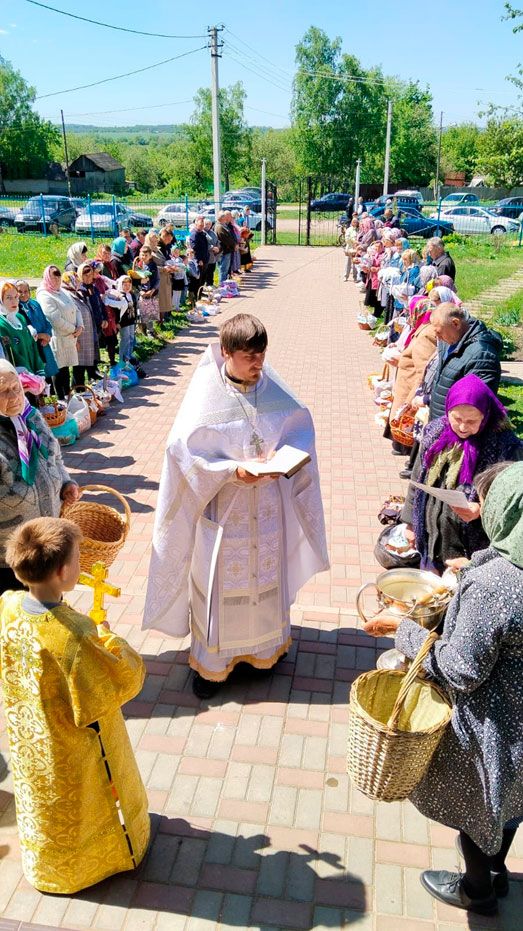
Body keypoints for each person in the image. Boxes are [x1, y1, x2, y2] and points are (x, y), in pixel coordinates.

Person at [364, 460, 523, 917]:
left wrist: (407, 628)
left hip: (494, 723)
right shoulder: (499, 572)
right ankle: (496, 868)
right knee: (511, 799)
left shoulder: (497, 586)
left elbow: (459, 669)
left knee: (479, 802)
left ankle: (478, 890)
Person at [143, 313, 329, 699]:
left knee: (265, 580)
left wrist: (288, 456)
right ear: (226, 352)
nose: (258, 364)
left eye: (261, 354)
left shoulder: (272, 388)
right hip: (224, 514)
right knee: (220, 586)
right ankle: (212, 667)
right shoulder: (205, 395)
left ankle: (263, 652)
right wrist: (231, 472)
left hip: (268, 511)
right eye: (249, 356)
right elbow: (182, 453)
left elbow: (300, 429)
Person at [0, 515, 150, 893]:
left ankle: (50, 862)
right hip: (69, 741)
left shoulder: (8, 605)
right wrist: (111, 641)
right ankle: (90, 864)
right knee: (84, 793)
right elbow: (120, 682)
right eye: (80, 558)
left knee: (43, 797)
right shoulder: (77, 636)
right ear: (64, 571)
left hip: (29, 732)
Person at [401, 373, 523, 573]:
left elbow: (514, 505)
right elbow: (417, 479)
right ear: (448, 409)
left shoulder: (505, 446)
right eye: (457, 418)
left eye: (472, 421)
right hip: (432, 537)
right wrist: (410, 522)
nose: (464, 427)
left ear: (486, 415)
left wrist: (482, 510)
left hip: (471, 548)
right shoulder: (435, 432)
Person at [0, 360, 79, 593]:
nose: (14, 396)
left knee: (50, 618)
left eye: (16, 387)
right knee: (14, 622)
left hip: (47, 549)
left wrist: (65, 482)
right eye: (3, 391)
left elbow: (54, 458)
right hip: (10, 561)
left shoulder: (30, 417)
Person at [428, 303, 502, 420]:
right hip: (440, 425)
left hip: (457, 431)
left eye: (439, 332)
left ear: (456, 323)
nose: (437, 337)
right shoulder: (450, 341)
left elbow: (474, 406)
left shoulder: (482, 355)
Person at [386, 296, 437, 454]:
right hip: (407, 384)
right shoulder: (422, 329)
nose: (409, 316)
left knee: (404, 422)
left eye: (411, 311)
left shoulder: (426, 335)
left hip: (410, 387)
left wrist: (411, 399)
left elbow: (423, 369)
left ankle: (403, 447)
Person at [37, 266, 83, 400]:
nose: (57, 279)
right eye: (53, 276)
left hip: (70, 337)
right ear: (47, 277)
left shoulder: (62, 291)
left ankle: (69, 397)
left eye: (58, 275)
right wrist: (73, 329)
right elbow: (54, 318)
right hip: (58, 338)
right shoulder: (44, 294)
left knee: (66, 368)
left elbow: (76, 309)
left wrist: (80, 326)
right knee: (58, 370)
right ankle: (61, 399)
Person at [16, 280, 59, 384]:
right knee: (38, 375)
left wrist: (48, 335)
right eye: (20, 291)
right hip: (33, 346)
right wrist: (40, 336)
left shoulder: (35, 303)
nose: (23, 294)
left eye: (26, 291)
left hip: (44, 344)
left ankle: (51, 396)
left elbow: (46, 321)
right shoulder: (17, 309)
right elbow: (23, 330)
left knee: (48, 373)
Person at [61, 271, 100, 386]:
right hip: (78, 336)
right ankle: (78, 389)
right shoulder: (67, 294)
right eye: (76, 279)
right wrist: (75, 339)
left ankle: (81, 389)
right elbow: (70, 317)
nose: (78, 281)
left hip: (84, 334)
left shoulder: (75, 292)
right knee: (78, 366)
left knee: (82, 364)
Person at [0, 282, 46, 378]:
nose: (14, 301)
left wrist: (39, 371)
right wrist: (29, 375)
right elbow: (12, 353)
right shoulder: (1, 324)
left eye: (16, 297)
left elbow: (33, 345)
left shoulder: (20, 318)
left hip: (32, 375)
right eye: (9, 298)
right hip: (16, 378)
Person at [134, 245, 160, 335]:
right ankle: (141, 330)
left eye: (146, 255)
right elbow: (135, 281)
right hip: (141, 292)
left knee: (149, 313)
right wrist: (140, 291)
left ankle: (150, 331)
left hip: (151, 292)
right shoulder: (138, 265)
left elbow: (157, 280)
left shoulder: (153, 266)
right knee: (140, 312)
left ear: (150, 256)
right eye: (142, 255)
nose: (143, 257)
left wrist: (152, 290)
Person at [215, 210, 237, 283]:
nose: (226, 220)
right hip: (224, 251)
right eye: (225, 218)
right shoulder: (219, 227)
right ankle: (222, 285)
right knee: (223, 269)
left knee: (225, 269)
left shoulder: (223, 226)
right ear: (222, 219)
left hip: (227, 250)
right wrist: (233, 244)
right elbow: (226, 239)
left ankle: (224, 284)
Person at [189, 216, 209, 295]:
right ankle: (197, 294)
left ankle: (200, 292)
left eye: (203, 225)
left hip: (205, 258)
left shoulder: (202, 233)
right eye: (200, 225)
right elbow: (195, 248)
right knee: (199, 278)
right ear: (196, 224)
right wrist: (199, 259)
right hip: (199, 260)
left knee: (203, 278)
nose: (202, 227)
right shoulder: (194, 234)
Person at [204, 219, 220, 287]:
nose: (208, 226)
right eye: (206, 224)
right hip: (207, 255)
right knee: (207, 270)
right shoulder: (203, 233)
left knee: (212, 269)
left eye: (209, 224)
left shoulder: (213, 232)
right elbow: (204, 244)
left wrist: (218, 248)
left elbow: (217, 241)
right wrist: (212, 247)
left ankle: (211, 283)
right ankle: (207, 284)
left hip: (214, 255)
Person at [343, 216, 359, 282]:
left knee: (355, 263)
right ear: (352, 222)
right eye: (353, 222)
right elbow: (347, 238)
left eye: (356, 222)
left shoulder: (359, 229)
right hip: (350, 248)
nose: (355, 223)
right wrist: (353, 241)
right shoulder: (349, 229)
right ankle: (345, 276)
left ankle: (355, 277)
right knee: (348, 262)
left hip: (357, 248)